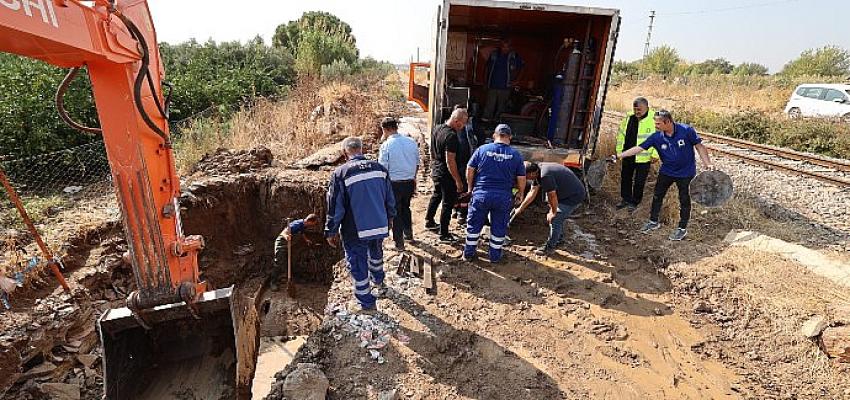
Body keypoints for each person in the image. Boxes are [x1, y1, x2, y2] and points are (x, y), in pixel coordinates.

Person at [614, 109, 715, 241]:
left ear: (668, 122)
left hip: (686, 173)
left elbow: (699, 147)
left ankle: (682, 228)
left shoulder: (686, 130)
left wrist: (708, 163)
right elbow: (639, 148)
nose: (656, 127)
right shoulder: (657, 137)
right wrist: (619, 155)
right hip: (667, 172)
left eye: (658, 124)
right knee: (657, 196)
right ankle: (653, 222)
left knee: (684, 199)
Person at [325, 137, 396, 314]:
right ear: (361, 150)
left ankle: (367, 302)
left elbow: (335, 207)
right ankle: (379, 280)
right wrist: (390, 218)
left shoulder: (341, 174)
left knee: (357, 263)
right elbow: (390, 198)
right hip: (379, 224)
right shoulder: (380, 169)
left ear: (344, 153)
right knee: (376, 253)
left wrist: (331, 230)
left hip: (355, 229)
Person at [463, 124, 526, 263]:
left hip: (481, 194)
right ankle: (495, 257)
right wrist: (520, 193)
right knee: (499, 226)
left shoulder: (482, 149)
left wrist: (470, 187)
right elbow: (521, 177)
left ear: (494, 136)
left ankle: (469, 254)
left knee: (474, 225)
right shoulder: (515, 155)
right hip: (502, 197)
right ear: (510, 137)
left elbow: (470, 168)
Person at [514, 162, 586, 255]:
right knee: (555, 214)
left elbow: (552, 196)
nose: (524, 179)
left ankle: (550, 247)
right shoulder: (538, 171)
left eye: (525, 176)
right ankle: (559, 238)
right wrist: (520, 208)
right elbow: (532, 192)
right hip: (565, 192)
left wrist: (553, 211)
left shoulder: (545, 176)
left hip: (573, 196)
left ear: (531, 174)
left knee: (555, 219)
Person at [425, 108, 469, 243]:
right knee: (447, 203)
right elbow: (450, 160)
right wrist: (458, 181)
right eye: (462, 124)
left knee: (437, 194)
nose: (463, 127)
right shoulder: (451, 136)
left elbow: (432, 150)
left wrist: (434, 166)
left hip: (437, 170)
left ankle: (429, 221)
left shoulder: (437, 129)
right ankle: (444, 234)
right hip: (446, 174)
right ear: (456, 121)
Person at [378, 116, 419, 250]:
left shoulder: (386, 145)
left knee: (395, 212)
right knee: (406, 208)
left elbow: (383, 168)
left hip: (394, 184)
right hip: (409, 182)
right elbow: (417, 163)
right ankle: (409, 235)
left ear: (385, 129)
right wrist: (413, 178)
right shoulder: (411, 142)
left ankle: (399, 243)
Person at [615, 97, 657, 210]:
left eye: (640, 110)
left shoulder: (654, 119)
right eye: (635, 109)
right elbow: (621, 135)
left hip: (644, 158)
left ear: (647, 108)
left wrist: (655, 154)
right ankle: (625, 199)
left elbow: (660, 137)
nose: (637, 112)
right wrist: (619, 151)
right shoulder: (628, 118)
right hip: (628, 154)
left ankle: (635, 202)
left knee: (639, 181)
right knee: (626, 178)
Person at [271, 214, 320, 291]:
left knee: (289, 262)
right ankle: (273, 282)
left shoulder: (304, 224)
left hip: (288, 245)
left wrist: (306, 239)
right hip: (281, 244)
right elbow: (284, 232)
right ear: (309, 221)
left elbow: (302, 232)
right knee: (279, 263)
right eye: (313, 224)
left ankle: (290, 278)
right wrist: (287, 236)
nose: (313, 226)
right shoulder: (296, 224)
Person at [483, 40, 523, 121]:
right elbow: (487, 68)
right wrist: (485, 81)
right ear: (500, 47)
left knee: (502, 107)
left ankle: (498, 121)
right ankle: (486, 121)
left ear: (510, 47)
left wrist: (517, 81)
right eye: (503, 46)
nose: (505, 48)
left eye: (507, 46)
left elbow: (522, 68)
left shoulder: (514, 56)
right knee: (490, 105)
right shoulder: (494, 54)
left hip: (506, 86)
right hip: (492, 85)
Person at [454, 106, 479, 224]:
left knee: (464, 186)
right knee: (456, 186)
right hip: (456, 161)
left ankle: (461, 213)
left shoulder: (471, 126)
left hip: (467, 161)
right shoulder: (451, 130)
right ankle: (456, 209)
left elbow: (480, 138)